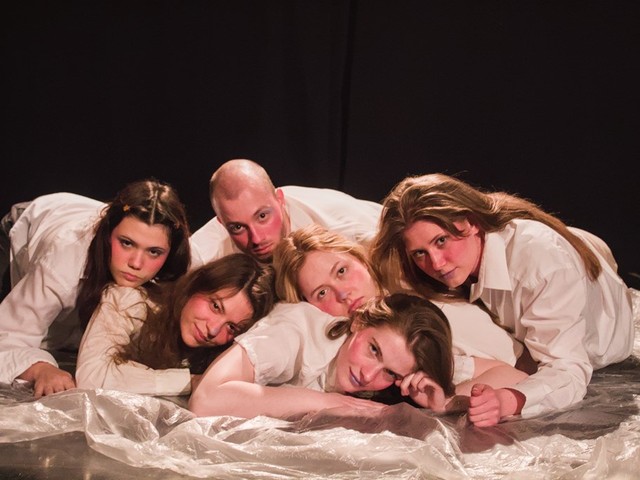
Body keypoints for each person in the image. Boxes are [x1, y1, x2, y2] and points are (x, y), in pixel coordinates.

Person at [369, 172, 635, 418]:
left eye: (441, 241)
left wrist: (507, 400)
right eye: (420, 253)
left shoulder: (543, 264)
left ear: (471, 223)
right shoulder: (449, 266)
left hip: (607, 311)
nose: (436, 263)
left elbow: (568, 369)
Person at [189, 293, 528, 427]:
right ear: (359, 323)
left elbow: (510, 374)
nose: (367, 375)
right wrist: (329, 402)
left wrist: (446, 402)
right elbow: (206, 400)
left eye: (389, 373)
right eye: (373, 350)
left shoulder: (407, 353)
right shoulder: (293, 334)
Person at [0, 179, 191, 398]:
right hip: (26, 228)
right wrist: (41, 369)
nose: (136, 263)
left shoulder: (180, 270)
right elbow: (8, 336)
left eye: (154, 252)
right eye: (127, 243)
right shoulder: (63, 260)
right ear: (107, 234)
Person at [273, 224, 529, 367]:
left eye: (342, 271)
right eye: (322, 293)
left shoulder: (434, 308)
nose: (342, 293)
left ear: (361, 259)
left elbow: (519, 367)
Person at [76, 253, 276, 396]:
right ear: (197, 285)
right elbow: (91, 376)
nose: (213, 329)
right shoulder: (129, 301)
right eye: (215, 306)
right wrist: (189, 381)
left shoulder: (218, 356)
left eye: (232, 327)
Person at [189, 158, 383, 267]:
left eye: (262, 216)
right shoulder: (207, 251)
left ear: (280, 199)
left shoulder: (342, 226)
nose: (256, 239)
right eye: (238, 227)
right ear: (221, 223)